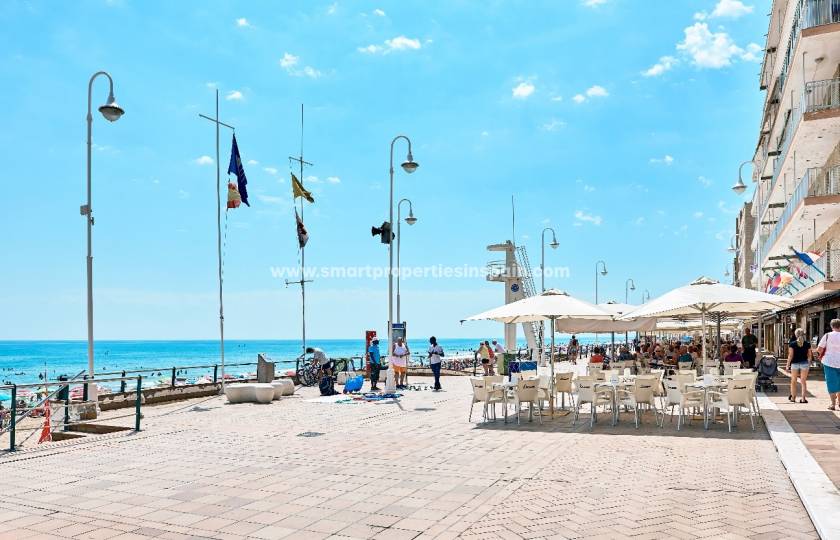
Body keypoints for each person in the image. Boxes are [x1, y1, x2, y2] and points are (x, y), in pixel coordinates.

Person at [817, 319, 840, 411]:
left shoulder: (827, 336)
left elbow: (819, 349)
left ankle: (833, 404)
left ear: (831, 326)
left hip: (829, 362)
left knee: (831, 382)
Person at [787, 328, 812, 404]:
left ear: (795, 334)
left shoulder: (792, 344)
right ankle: (803, 399)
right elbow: (809, 355)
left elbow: (790, 355)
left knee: (793, 381)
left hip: (794, 364)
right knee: (803, 381)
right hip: (804, 363)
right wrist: (809, 362)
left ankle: (793, 398)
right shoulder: (807, 344)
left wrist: (787, 365)